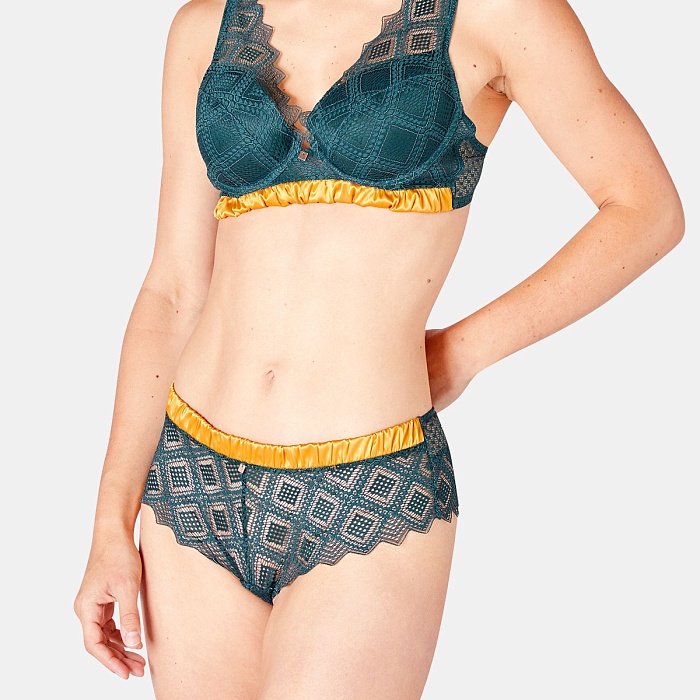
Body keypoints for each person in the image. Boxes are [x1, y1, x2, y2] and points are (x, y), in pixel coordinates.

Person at [74, 0, 684, 696]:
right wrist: (110, 522)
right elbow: (173, 290)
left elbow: (646, 209)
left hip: (369, 483)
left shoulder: (498, 13)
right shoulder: (203, 26)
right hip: (192, 478)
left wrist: (466, 349)